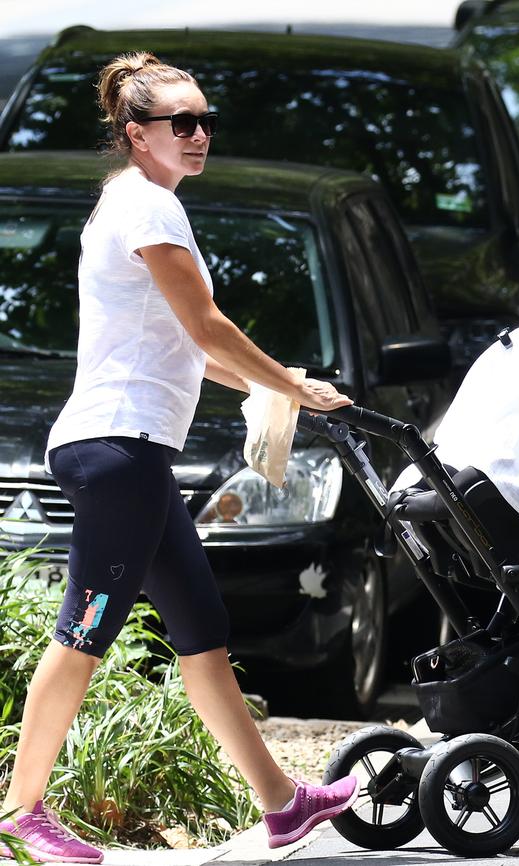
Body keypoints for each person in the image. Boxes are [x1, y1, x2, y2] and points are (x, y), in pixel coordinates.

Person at [0, 52, 358, 863]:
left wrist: (283, 384)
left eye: (205, 121)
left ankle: (282, 804)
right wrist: (290, 388)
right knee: (83, 631)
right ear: (137, 134)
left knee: (200, 628)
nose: (199, 136)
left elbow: (196, 353)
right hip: (113, 452)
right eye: (181, 123)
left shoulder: (135, 202)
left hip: (135, 453)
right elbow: (209, 328)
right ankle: (21, 809)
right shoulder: (149, 210)